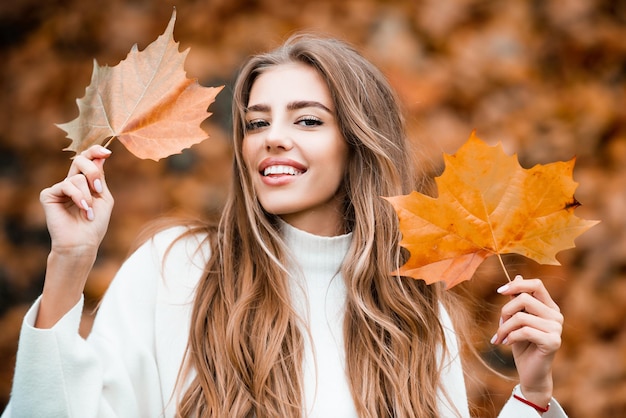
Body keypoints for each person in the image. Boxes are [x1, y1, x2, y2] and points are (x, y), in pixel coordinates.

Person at [2, 34, 567, 417]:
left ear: (358, 142)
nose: (273, 136)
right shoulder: (174, 270)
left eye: (307, 120)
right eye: (256, 121)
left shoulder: (413, 312)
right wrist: (70, 263)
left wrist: (535, 393)